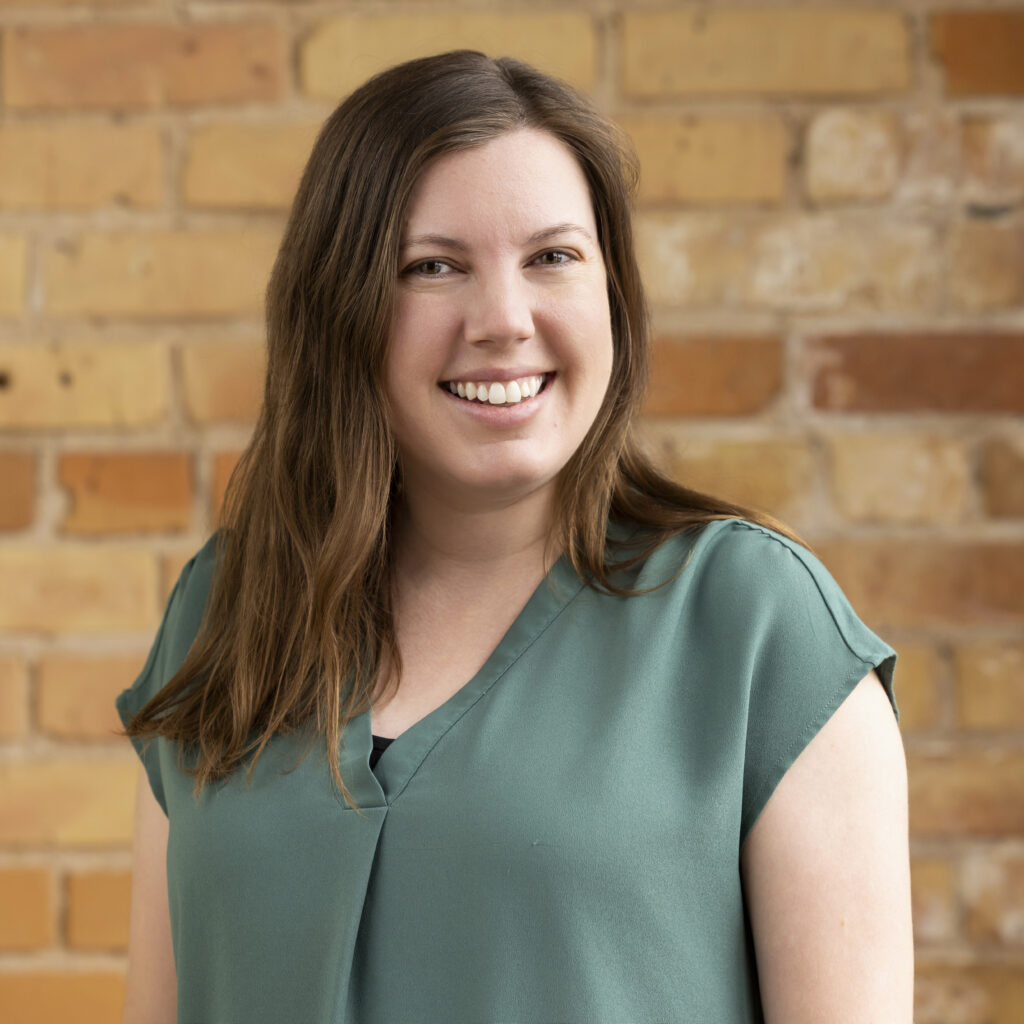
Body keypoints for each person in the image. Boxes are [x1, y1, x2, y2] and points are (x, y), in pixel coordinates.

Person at [117, 50, 913, 1024]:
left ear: (610, 290)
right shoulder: (224, 609)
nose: (502, 320)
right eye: (432, 266)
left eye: (552, 257)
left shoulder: (757, 630)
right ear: (341, 307)